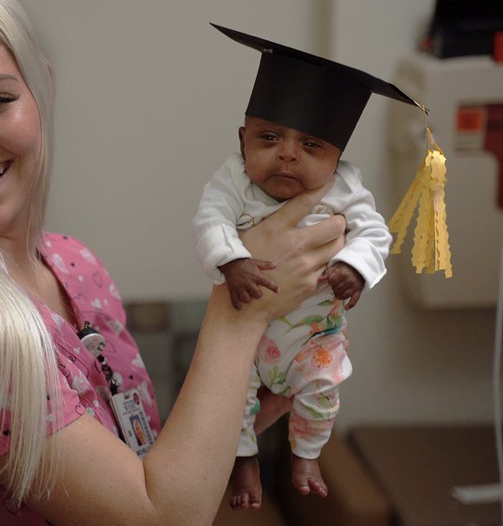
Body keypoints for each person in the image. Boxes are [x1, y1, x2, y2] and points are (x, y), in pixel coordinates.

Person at [0, 2, 345, 525]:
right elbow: (162, 519)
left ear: (44, 92)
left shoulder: (72, 264)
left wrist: (261, 396)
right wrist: (243, 310)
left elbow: (136, 477)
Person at [191, 24, 424, 511]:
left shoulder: (345, 189)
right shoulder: (233, 179)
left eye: (312, 146)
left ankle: (306, 453)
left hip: (315, 336)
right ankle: (244, 460)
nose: (288, 154)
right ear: (243, 139)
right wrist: (232, 260)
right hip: (246, 334)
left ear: (338, 158)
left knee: (324, 385)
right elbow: (210, 220)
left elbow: (376, 234)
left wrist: (355, 267)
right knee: (233, 395)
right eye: (269, 137)